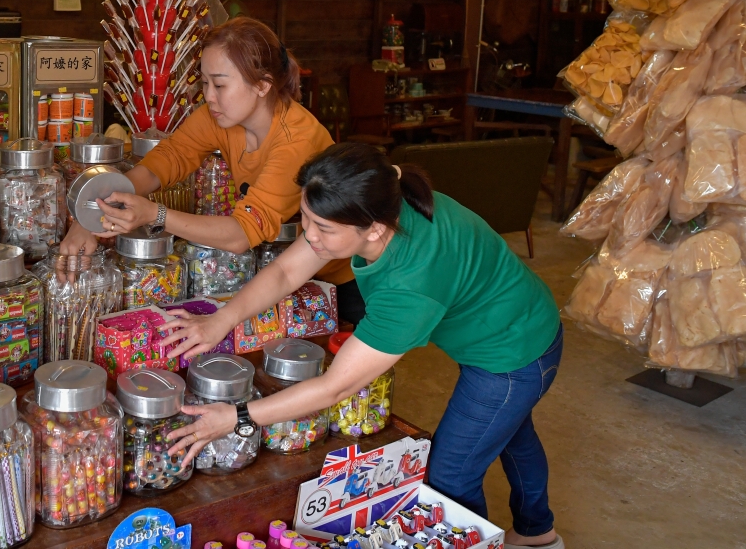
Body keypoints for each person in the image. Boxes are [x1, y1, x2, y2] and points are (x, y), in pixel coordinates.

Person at [161, 143, 566, 549]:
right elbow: (286, 271)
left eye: (323, 228)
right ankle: (538, 533)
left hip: (512, 356)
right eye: (305, 217)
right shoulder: (380, 194)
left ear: (373, 229)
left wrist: (237, 417)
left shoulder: (410, 287)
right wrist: (222, 320)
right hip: (517, 323)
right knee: (510, 432)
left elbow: (334, 387)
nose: (309, 235)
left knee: (451, 477)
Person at [58, 17, 366, 324]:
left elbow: (240, 235)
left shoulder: (295, 141)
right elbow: (166, 160)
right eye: (204, 83)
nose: (209, 95)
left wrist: (155, 214)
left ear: (262, 85)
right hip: (275, 271)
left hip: (340, 277)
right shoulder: (221, 116)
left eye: (219, 84)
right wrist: (95, 212)